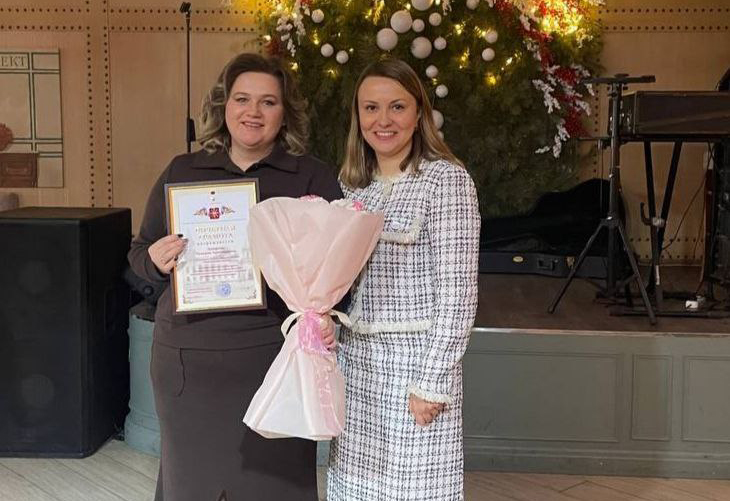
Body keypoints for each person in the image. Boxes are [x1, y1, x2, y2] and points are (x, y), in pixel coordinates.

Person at [128, 52, 339, 501]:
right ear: (224, 106)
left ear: (285, 113)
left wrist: (323, 309)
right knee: (192, 485)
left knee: (276, 486)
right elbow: (139, 254)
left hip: (274, 360)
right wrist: (156, 260)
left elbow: (338, 270)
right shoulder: (183, 171)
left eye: (268, 102)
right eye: (242, 99)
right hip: (188, 363)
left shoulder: (311, 177)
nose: (253, 112)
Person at [328, 58, 480, 500]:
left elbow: (458, 295)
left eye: (397, 106)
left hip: (415, 366)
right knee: (354, 490)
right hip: (356, 365)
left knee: (415, 491)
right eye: (371, 108)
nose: (383, 120)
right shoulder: (351, 184)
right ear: (358, 116)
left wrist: (432, 382)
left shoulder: (446, 181)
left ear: (418, 114)